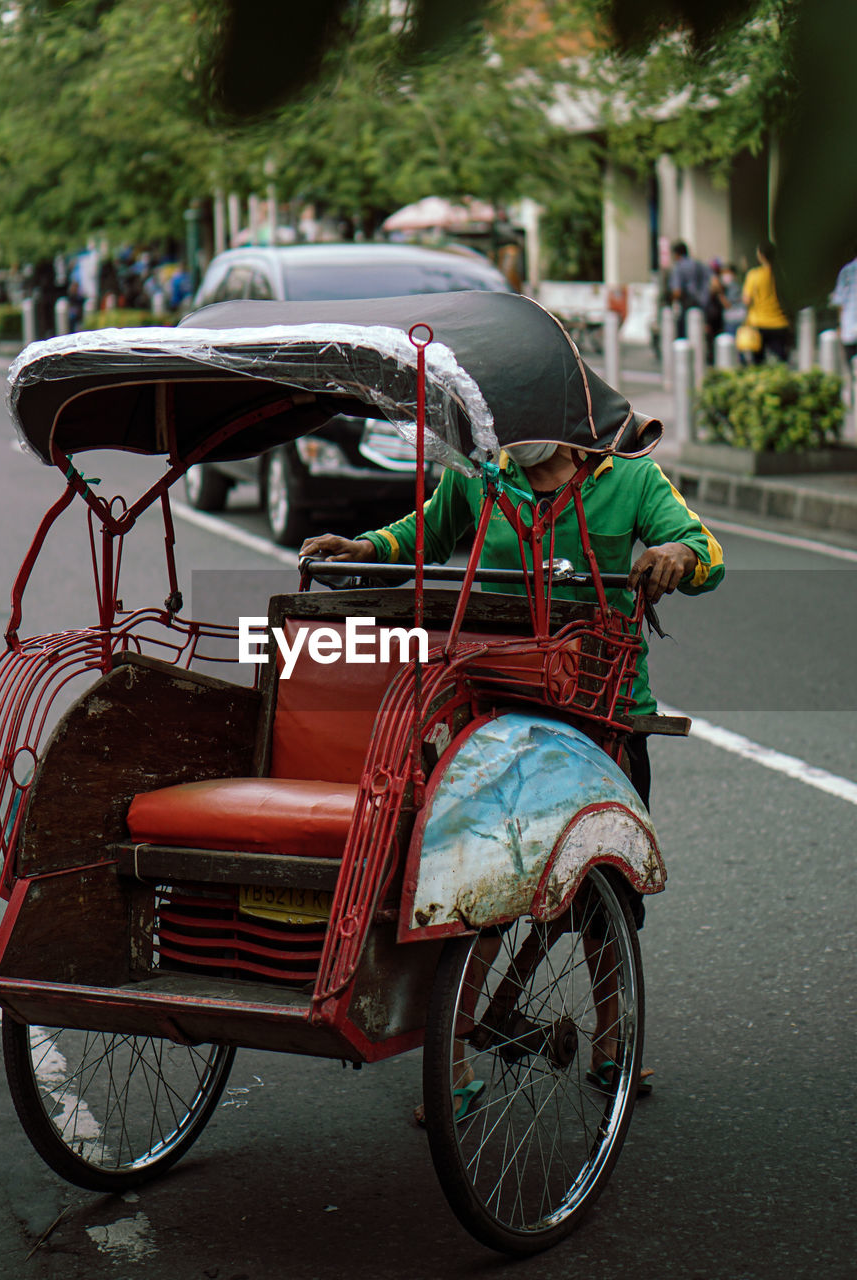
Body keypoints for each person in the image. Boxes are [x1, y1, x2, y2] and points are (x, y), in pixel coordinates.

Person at [301, 438, 725, 1112]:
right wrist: (368, 548)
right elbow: (428, 531)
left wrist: (678, 557)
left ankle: (614, 1037)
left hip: (603, 703)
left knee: (605, 881)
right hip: (499, 698)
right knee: (479, 877)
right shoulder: (479, 476)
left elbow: (703, 552)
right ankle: (455, 1058)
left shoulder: (632, 478)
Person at [742, 241, 791, 364]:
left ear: (760, 255)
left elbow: (746, 300)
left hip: (758, 323)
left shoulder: (753, 275)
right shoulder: (782, 274)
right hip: (780, 323)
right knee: (781, 360)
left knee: (758, 362)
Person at [668, 241, 710, 340]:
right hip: (703, 305)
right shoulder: (699, 265)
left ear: (676, 254)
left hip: (687, 307)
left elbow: (676, 291)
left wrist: (671, 300)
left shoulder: (678, 267)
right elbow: (712, 281)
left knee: (684, 338)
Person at [830, 248, 857, 365]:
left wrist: (839, 325)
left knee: (851, 366)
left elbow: (839, 302)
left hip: (849, 326)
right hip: (849, 325)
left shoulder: (846, 271)